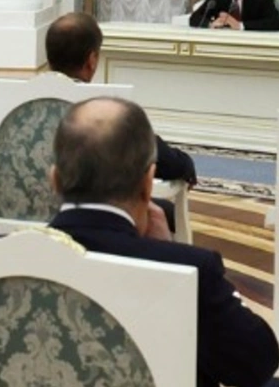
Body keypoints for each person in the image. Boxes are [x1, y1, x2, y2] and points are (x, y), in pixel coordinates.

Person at [48, 97, 279, 387]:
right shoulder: (188, 270)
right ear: (148, 183)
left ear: (54, 179)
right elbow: (256, 365)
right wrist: (168, 253)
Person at [45, 12, 197, 230]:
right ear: (92, 60)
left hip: (24, 230)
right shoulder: (105, 113)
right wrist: (186, 165)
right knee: (165, 211)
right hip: (102, 229)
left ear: (48, 56)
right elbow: (165, 162)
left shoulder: (13, 107)